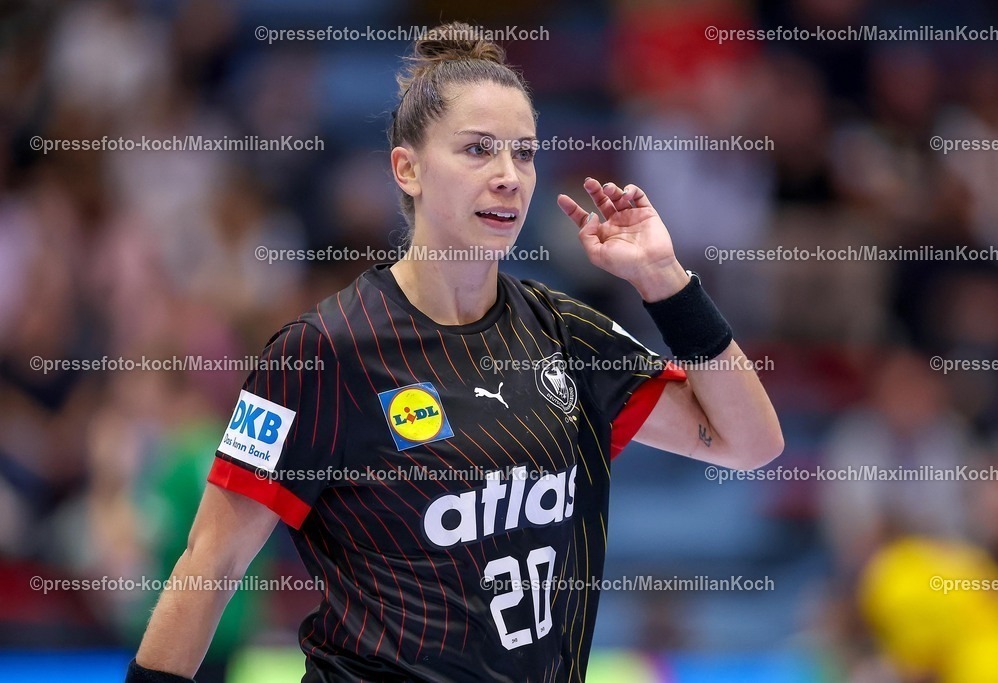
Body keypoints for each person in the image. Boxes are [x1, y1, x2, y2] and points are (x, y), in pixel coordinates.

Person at [125, 22, 783, 683]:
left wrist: (665, 281)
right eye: (477, 150)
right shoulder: (324, 352)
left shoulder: (566, 338)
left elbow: (750, 442)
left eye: (523, 154)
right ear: (406, 168)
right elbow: (212, 564)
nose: (508, 177)